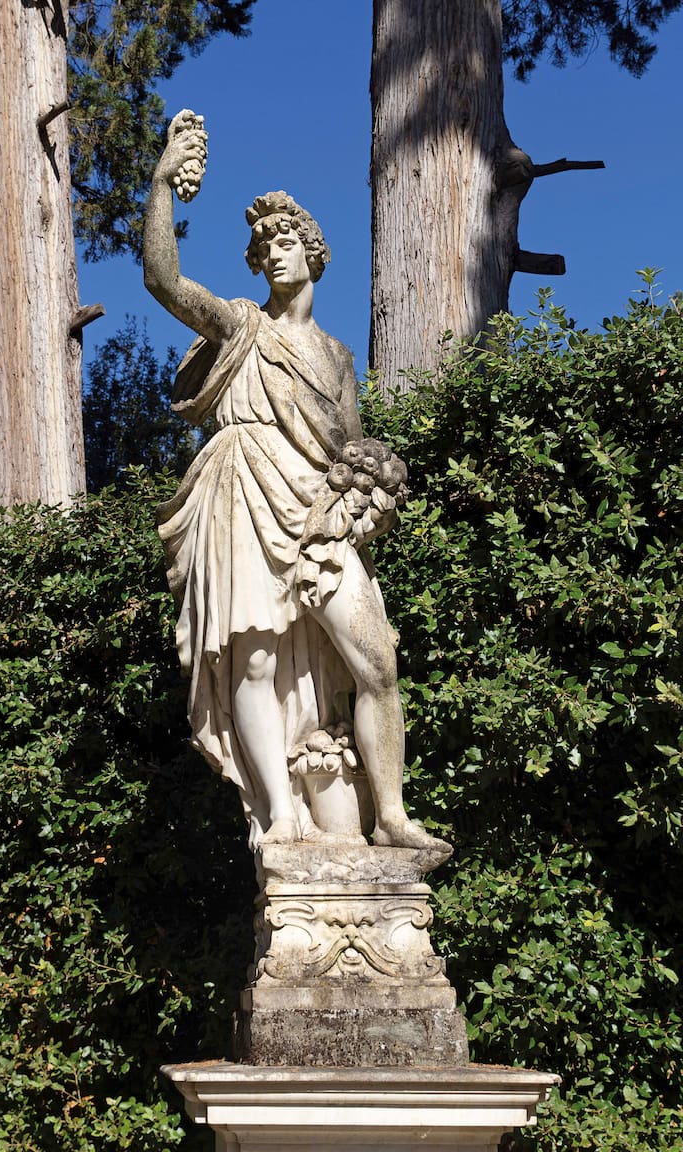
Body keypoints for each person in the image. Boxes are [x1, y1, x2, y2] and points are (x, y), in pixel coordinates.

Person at [145, 110, 438, 852]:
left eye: (286, 243)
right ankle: (281, 811)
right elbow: (164, 278)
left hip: (317, 511)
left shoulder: (338, 357)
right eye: (263, 247)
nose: (273, 255)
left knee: (376, 659)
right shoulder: (242, 327)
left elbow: (350, 448)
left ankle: (393, 815)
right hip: (243, 488)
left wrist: (373, 493)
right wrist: (161, 184)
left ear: (313, 254)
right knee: (257, 657)